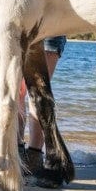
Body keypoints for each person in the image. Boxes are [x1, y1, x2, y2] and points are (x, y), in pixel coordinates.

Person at [18, 36, 67, 173]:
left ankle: (34, 156)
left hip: (50, 28)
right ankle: (16, 151)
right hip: (20, 27)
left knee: (37, 91)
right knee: (17, 91)